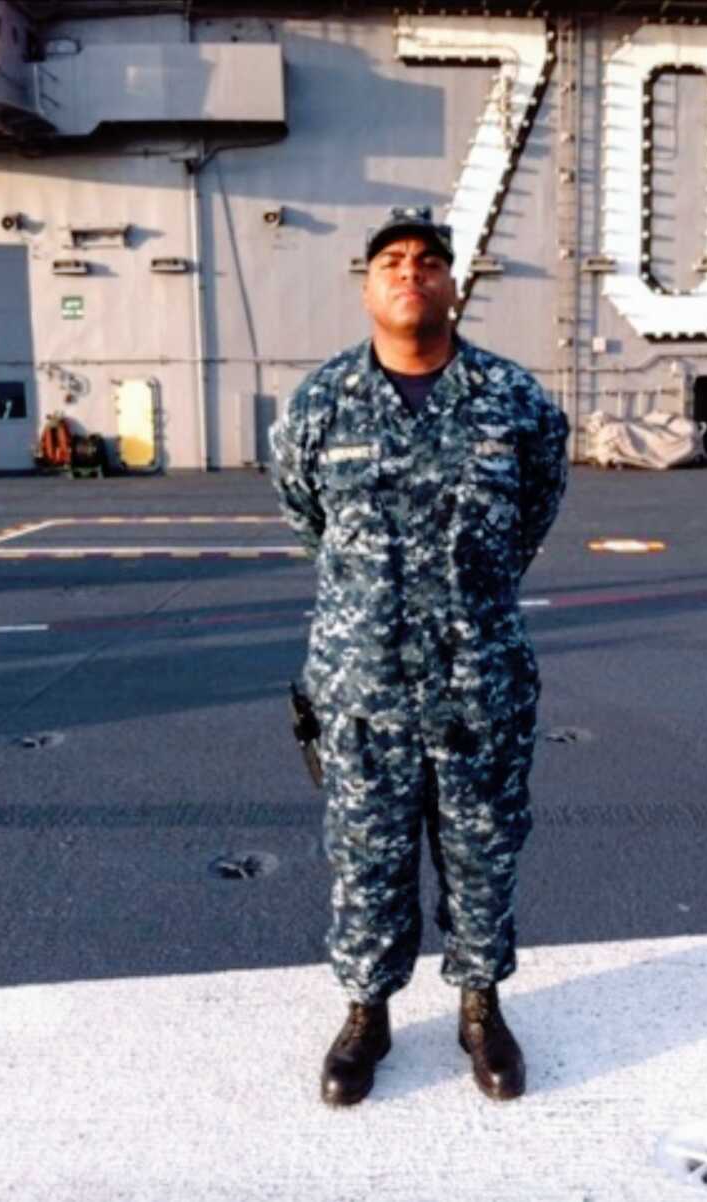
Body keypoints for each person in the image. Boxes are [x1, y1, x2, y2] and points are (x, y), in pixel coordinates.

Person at [271, 205, 569, 1107]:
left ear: (454, 284)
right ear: (367, 284)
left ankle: (481, 1008)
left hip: (480, 690)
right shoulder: (319, 404)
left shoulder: (514, 402)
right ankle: (368, 1013)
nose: (412, 271)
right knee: (365, 861)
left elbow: (533, 515)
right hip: (362, 692)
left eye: (430, 260)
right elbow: (305, 519)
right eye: (392, 259)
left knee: (484, 857)